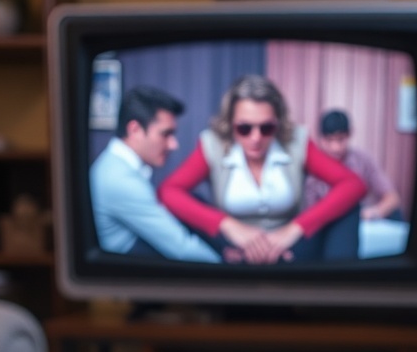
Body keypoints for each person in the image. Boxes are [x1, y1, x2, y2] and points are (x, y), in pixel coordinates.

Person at [157, 75, 366, 265]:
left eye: (266, 128)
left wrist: (294, 229)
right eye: (244, 128)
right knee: (185, 204)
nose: (256, 138)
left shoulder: (296, 141)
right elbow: (168, 191)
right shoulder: (213, 144)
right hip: (231, 246)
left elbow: (353, 185)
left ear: (278, 124)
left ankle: (336, 291)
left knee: (348, 206)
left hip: (290, 247)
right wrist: (228, 226)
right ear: (230, 124)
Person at [89, 85, 220, 263]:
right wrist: (229, 272)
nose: (173, 145)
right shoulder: (120, 180)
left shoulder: (114, 165)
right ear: (135, 130)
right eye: (166, 134)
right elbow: (183, 249)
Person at [304, 109, 403, 221]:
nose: (335, 147)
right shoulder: (312, 165)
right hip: (326, 222)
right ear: (320, 138)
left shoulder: (363, 160)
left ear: (350, 134)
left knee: (396, 214)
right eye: (329, 140)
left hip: (361, 219)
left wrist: (373, 213)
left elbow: (392, 197)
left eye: (341, 139)